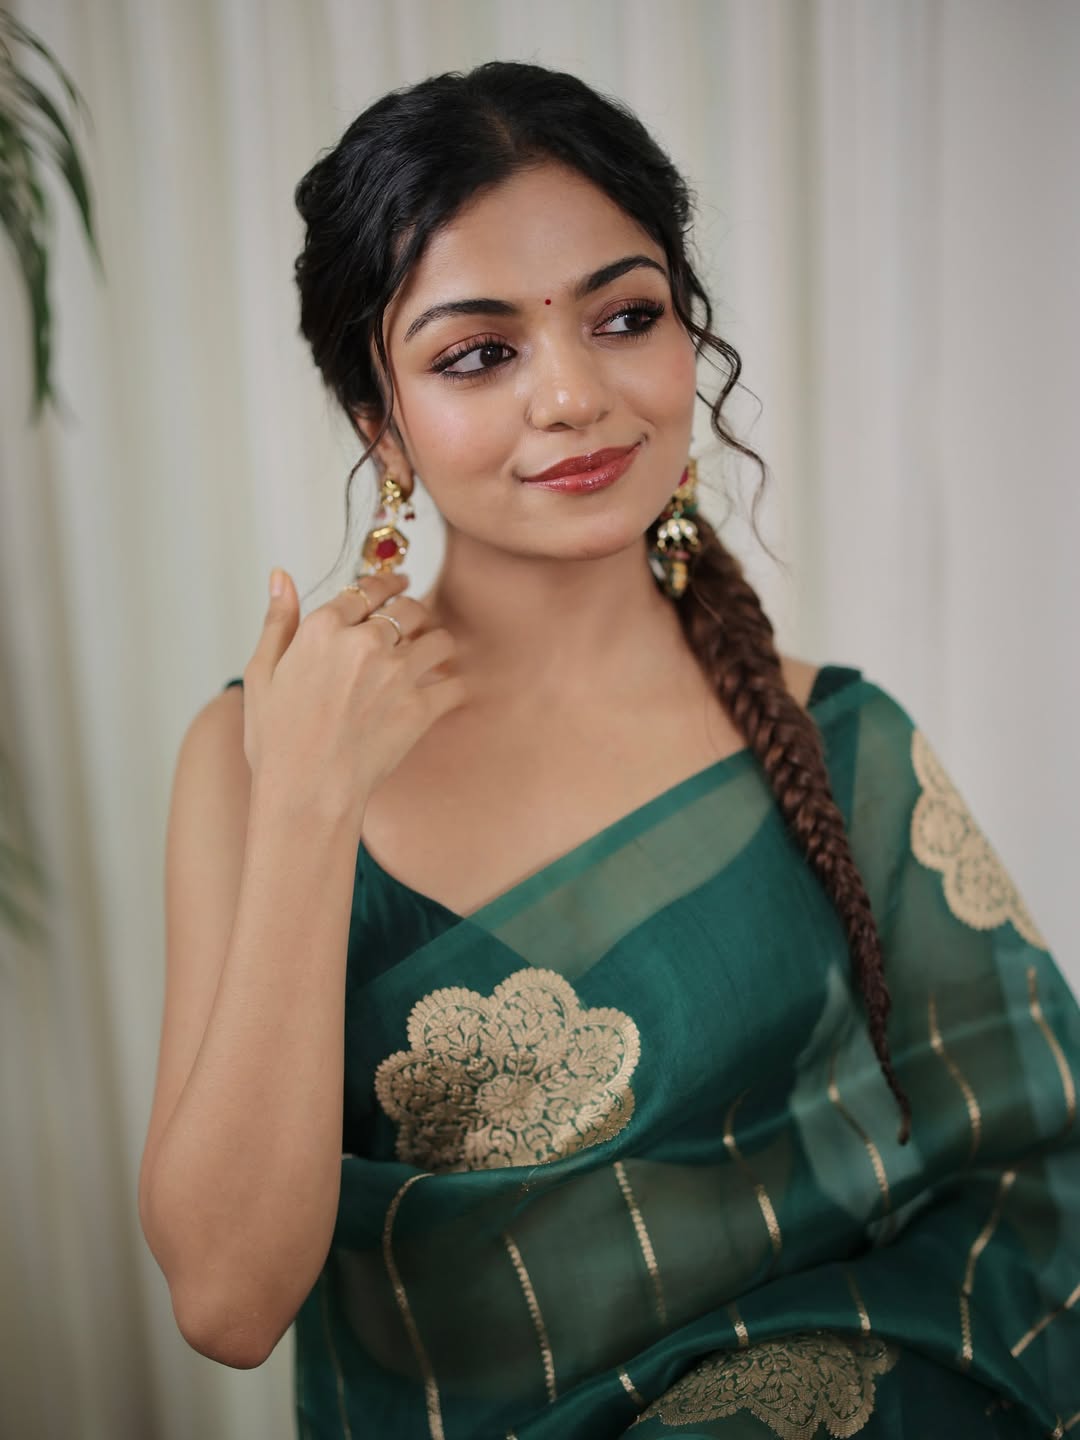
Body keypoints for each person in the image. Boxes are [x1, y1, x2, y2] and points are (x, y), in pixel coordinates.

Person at [138, 60, 1080, 1440]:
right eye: (480, 353)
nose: (574, 395)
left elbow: (1037, 1180)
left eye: (624, 316)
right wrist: (310, 801)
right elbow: (226, 1301)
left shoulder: (839, 741)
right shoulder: (252, 754)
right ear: (376, 424)